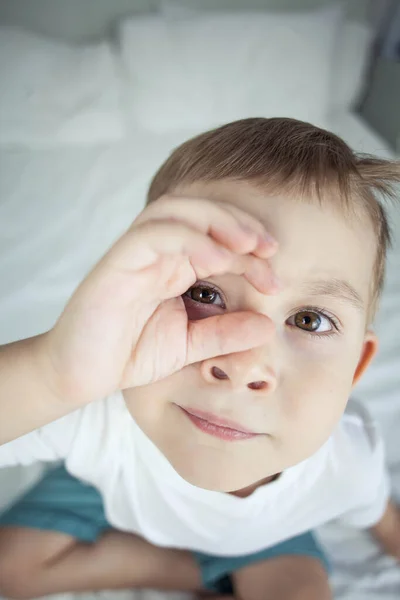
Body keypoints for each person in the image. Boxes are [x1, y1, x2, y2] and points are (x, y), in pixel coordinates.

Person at [0, 117, 399, 600]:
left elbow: (377, 511)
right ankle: (200, 571)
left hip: (266, 532)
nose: (243, 364)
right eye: (203, 292)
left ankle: (226, 563)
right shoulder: (98, 414)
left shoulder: (344, 460)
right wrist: (51, 374)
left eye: (309, 320)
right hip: (110, 489)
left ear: (356, 367)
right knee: (9, 571)